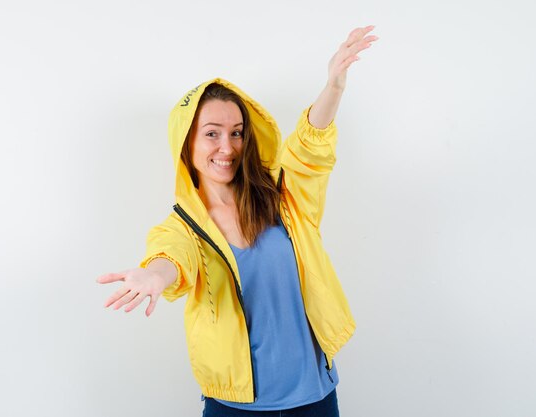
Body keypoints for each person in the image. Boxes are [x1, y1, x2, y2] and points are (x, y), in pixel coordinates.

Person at [97, 25, 379, 416]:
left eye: (236, 133)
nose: (226, 147)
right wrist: (154, 275)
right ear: (187, 144)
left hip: (315, 398)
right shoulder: (182, 228)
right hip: (234, 408)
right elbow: (171, 257)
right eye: (211, 134)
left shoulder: (284, 197)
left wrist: (334, 85)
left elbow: (309, 148)